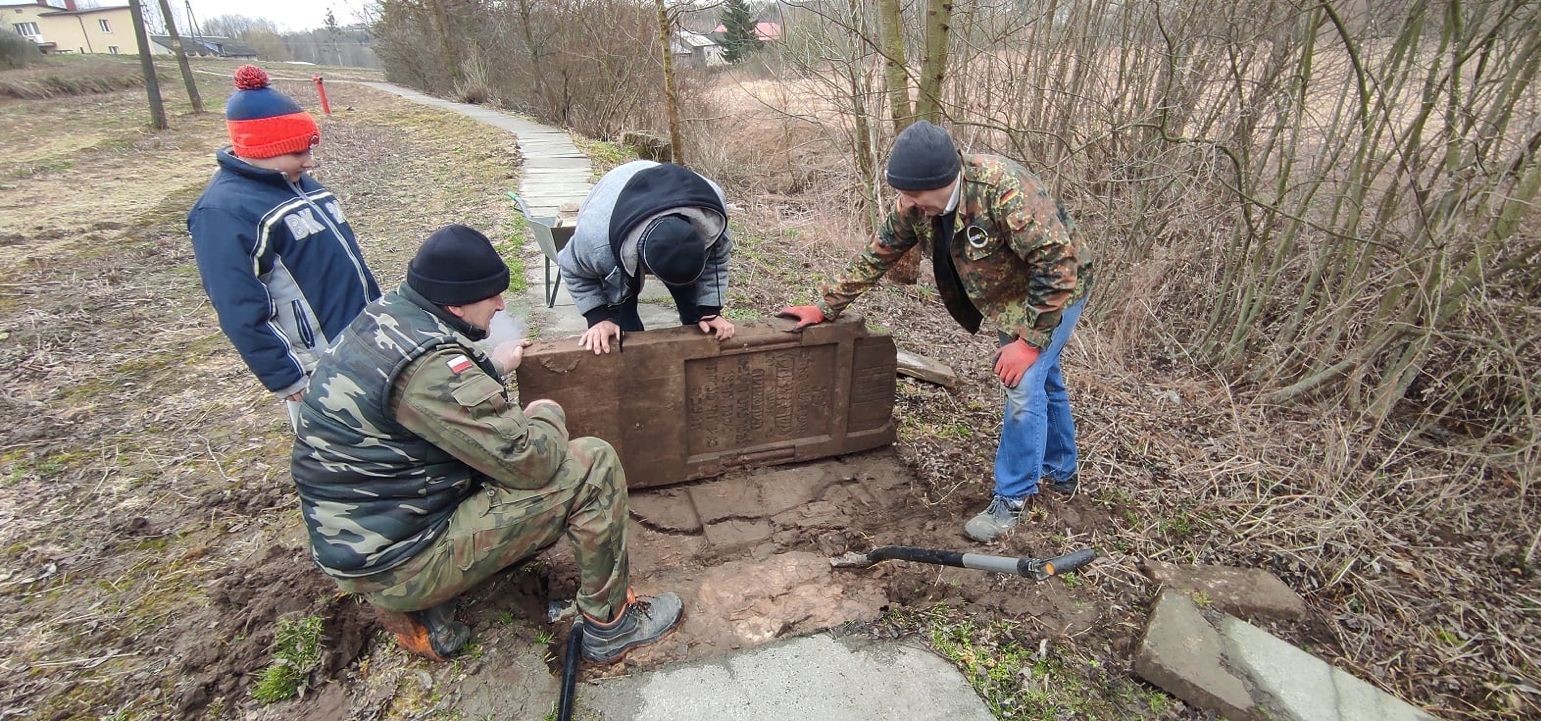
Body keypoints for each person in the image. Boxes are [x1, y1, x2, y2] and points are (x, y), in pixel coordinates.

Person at [290, 225, 683, 663]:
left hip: (365, 541)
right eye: (492, 296)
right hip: (401, 563)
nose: (500, 304)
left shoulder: (389, 317)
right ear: (455, 302)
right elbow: (530, 463)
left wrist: (492, 367)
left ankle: (424, 607)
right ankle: (611, 626)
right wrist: (546, 412)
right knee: (593, 464)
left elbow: (429, 403)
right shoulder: (428, 369)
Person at [779, 121, 1093, 543]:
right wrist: (824, 305)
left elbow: (1057, 265)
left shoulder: (1003, 190)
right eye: (903, 193)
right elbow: (878, 254)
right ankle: (1061, 472)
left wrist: (1029, 341)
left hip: (1055, 290)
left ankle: (1012, 499)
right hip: (1010, 297)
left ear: (946, 181)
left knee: (1023, 385)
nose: (906, 203)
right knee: (1044, 383)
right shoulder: (915, 204)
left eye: (914, 195)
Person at [187, 65, 379, 427]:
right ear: (262, 149)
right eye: (297, 153)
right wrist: (287, 373)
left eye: (308, 149)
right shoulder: (224, 212)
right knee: (338, 442)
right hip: (315, 359)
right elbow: (237, 304)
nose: (309, 161)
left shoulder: (307, 187)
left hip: (361, 339)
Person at [556, 160, 736, 354]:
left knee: (697, 315)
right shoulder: (597, 241)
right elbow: (569, 266)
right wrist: (597, 316)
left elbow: (717, 257)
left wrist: (710, 310)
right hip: (613, 205)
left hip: (672, 190)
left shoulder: (710, 212)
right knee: (624, 330)